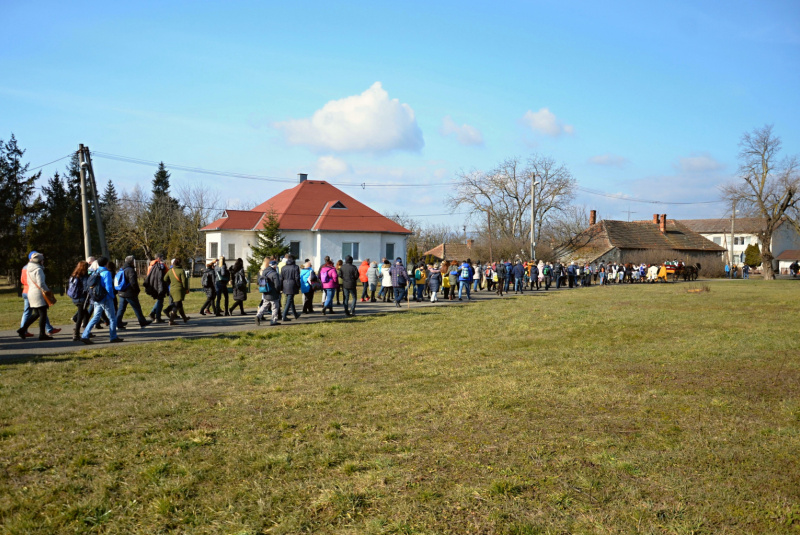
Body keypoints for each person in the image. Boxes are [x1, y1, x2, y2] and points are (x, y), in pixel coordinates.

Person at [80, 256, 123, 344]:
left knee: (95, 317)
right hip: (106, 298)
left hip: (97, 298)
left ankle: (85, 335)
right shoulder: (106, 273)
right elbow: (108, 287)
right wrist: (112, 296)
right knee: (112, 318)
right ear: (106, 263)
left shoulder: (95, 272)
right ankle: (113, 337)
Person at [17, 252, 56, 341]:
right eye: (42, 260)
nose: (43, 261)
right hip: (38, 294)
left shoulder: (28, 268)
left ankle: (22, 329)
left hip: (31, 292)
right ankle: (42, 334)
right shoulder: (38, 270)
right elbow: (41, 283)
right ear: (39, 261)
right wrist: (48, 290)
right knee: (42, 314)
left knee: (37, 314)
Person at [115, 255, 153, 329]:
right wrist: (137, 290)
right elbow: (133, 282)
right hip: (130, 293)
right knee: (137, 308)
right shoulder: (130, 270)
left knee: (121, 309)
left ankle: (118, 323)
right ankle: (142, 322)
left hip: (121, 292)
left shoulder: (122, 269)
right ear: (132, 262)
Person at [67, 260, 90, 341]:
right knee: (80, 316)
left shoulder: (74, 275)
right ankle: (76, 333)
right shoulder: (84, 276)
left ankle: (86, 331)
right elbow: (86, 287)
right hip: (82, 298)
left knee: (86, 314)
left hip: (75, 297)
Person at [163, 258, 190, 325]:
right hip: (179, 290)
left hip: (172, 289)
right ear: (179, 263)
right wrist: (186, 288)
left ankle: (184, 318)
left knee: (179, 304)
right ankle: (171, 320)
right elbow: (184, 281)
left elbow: (165, 278)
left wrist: (171, 283)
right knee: (176, 305)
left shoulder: (170, 270)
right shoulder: (181, 271)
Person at [255, 259, 281, 326]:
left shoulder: (264, 272)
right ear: (274, 266)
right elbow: (277, 285)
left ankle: (258, 315)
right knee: (275, 307)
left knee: (264, 305)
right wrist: (279, 291)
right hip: (273, 293)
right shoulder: (275, 274)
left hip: (265, 291)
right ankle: (273, 321)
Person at [145, 253, 168, 323]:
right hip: (160, 284)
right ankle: (158, 317)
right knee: (160, 300)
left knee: (159, 299)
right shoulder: (161, 265)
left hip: (152, 285)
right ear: (158, 258)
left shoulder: (150, 265)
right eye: (162, 257)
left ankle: (153, 313)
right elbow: (166, 273)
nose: (162, 258)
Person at [281, 254, 302, 321]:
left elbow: (281, 278)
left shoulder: (283, 268)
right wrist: (298, 285)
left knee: (290, 299)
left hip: (285, 284)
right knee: (289, 300)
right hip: (292, 284)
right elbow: (297, 277)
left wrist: (281, 286)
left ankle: (295, 314)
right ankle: (284, 315)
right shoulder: (295, 267)